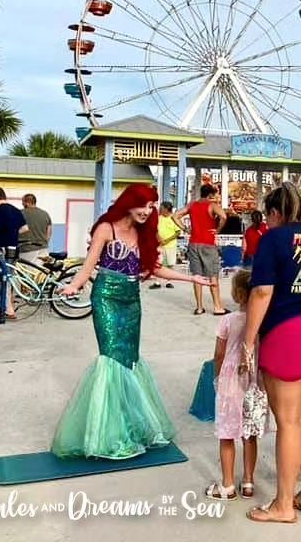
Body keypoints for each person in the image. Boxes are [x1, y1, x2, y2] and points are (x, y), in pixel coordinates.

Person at [53, 184, 214, 459]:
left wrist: (191, 278)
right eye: (144, 205)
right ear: (130, 202)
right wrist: (73, 286)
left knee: (129, 360)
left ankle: (130, 426)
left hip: (132, 300)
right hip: (106, 297)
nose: (147, 211)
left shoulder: (144, 233)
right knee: (111, 358)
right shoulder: (106, 228)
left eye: (152, 206)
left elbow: (154, 268)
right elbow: (89, 265)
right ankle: (109, 436)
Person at [241, 181, 301, 523]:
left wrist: (248, 340)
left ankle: (283, 504)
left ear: (275, 212)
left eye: (268, 215)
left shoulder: (273, 239)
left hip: (289, 330)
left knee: (287, 421)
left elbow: (262, 292)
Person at [205, 270, 267, 501]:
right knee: (249, 435)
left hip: (230, 382)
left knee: (227, 434)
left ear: (238, 294)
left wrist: (217, 378)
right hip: (254, 382)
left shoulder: (228, 320)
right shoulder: (262, 322)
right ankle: (248, 481)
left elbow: (219, 354)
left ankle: (228, 484)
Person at [175, 184, 227, 316]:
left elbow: (175, 216)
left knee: (197, 276)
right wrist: (218, 230)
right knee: (212, 275)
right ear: (210, 195)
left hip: (193, 243)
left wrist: (186, 229)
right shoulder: (212, 205)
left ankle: (199, 307)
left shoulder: (192, 205)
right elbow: (224, 217)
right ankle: (217, 307)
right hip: (208, 244)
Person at [0, 186, 29, 319]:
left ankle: (2, 309)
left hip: (0, 249)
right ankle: (9, 308)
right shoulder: (15, 210)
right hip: (13, 248)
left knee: (0, 279)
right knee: (9, 278)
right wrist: (12, 233)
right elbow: (25, 228)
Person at [150, 201, 181, 290]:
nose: (160, 209)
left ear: (167, 210)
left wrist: (167, 240)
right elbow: (154, 229)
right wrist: (159, 238)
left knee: (170, 264)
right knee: (158, 263)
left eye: (162, 208)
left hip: (170, 245)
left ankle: (169, 281)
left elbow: (178, 232)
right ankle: (157, 282)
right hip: (159, 245)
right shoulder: (158, 218)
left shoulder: (173, 218)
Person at [19, 194, 52, 264]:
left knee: (28, 273)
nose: (22, 204)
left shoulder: (20, 213)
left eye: (23, 202)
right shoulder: (45, 214)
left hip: (26, 251)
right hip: (43, 250)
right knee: (41, 273)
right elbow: (48, 233)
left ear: (27, 202)